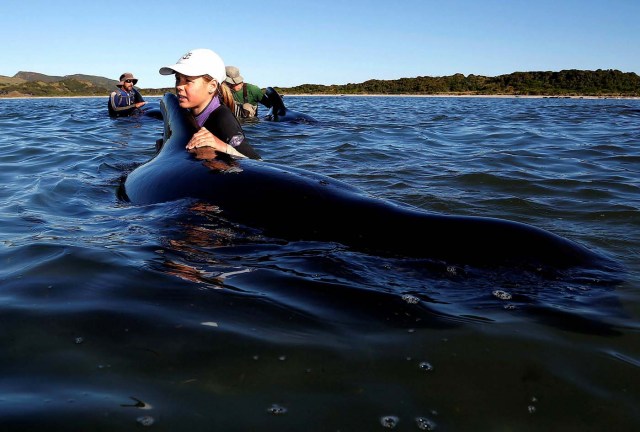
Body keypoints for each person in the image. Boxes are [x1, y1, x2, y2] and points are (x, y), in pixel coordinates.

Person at [159, 49, 260, 160]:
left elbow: (256, 161)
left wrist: (222, 146)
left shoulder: (223, 118)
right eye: (178, 79)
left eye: (188, 80)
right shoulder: (186, 116)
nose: (179, 86)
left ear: (212, 86)